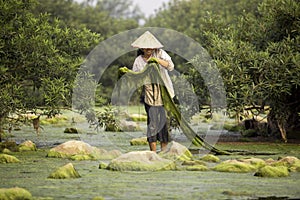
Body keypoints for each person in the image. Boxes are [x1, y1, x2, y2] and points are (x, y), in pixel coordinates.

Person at [131, 31, 175, 152]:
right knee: (152, 122)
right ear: (142, 48)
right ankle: (153, 152)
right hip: (149, 94)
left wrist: (156, 60)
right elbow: (136, 77)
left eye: (151, 47)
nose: (148, 49)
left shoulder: (160, 53)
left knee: (163, 122)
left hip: (164, 92)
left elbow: (170, 66)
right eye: (146, 47)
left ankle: (164, 151)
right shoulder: (138, 61)